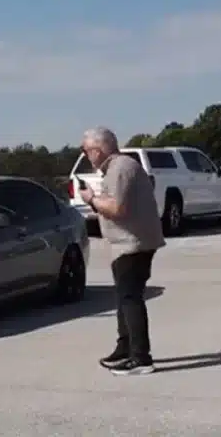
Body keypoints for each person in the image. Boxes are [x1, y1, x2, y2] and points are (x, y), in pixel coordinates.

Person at [78, 127, 166, 375]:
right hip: (127, 243)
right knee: (124, 298)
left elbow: (118, 209)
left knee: (131, 298)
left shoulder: (120, 168)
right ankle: (124, 347)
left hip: (132, 244)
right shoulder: (120, 167)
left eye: (86, 151)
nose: (86, 156)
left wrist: (91, 200)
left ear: (97, 150)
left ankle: (141, 358)